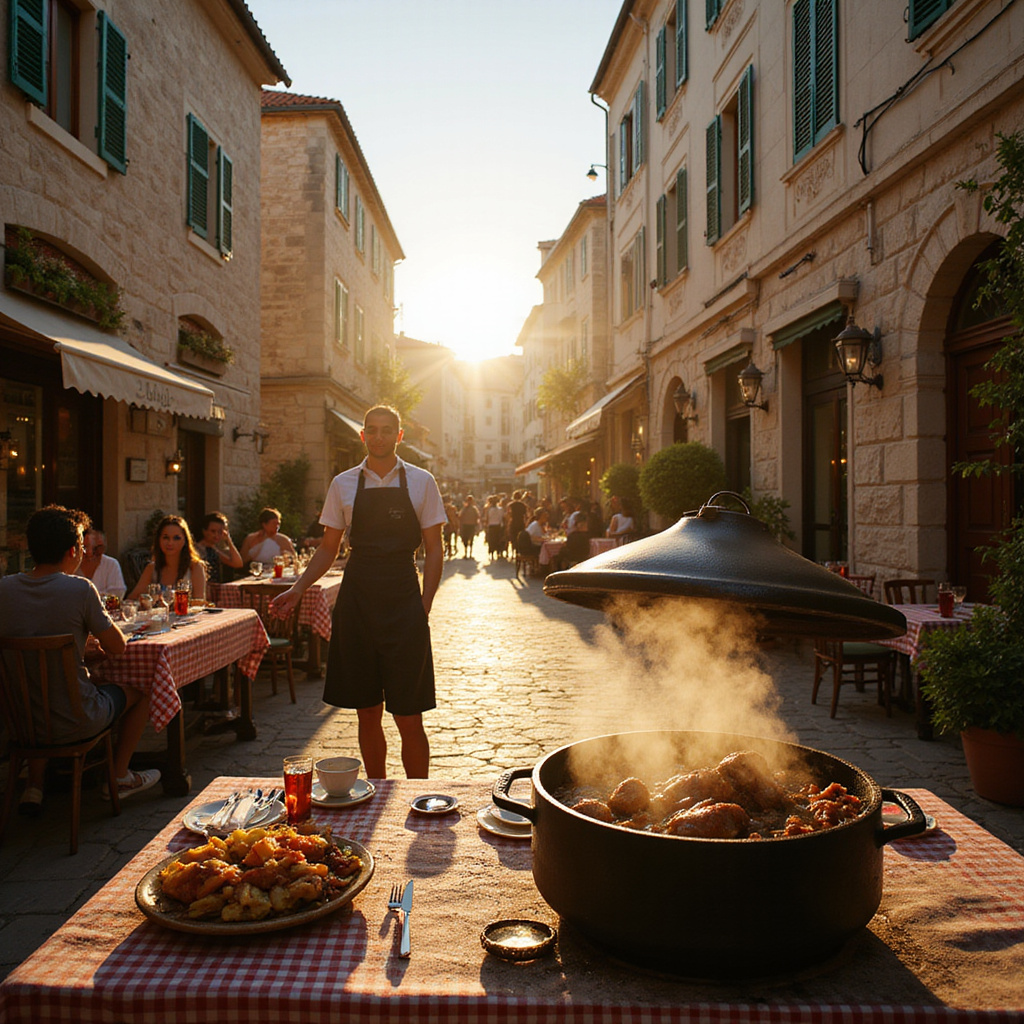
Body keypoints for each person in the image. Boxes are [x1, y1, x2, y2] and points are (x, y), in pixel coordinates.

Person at [269, 405, 446, 779]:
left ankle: (416, 794)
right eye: (372, 430)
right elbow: (328, 548)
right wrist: (298, 589)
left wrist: (424, 605)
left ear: (399, 436)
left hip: (403, 599)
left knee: (409, 714)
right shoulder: (343, 483)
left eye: (387, 430)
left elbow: (434, 548)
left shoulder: (421, 481)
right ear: (362, 435)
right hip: (358, 601)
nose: (378, 437)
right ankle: (378, 789)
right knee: (367, 710)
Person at [0, 505, 160, 814]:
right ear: (74, 549)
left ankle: (34, 785)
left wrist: (75, 650)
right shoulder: (79, 589)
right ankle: (120, 776)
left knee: (39, 691)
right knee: (141, 689)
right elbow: (117, 647)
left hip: (20, 722)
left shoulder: (4, 589)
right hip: (77, 720)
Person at [126, 514, 207, 602]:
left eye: (176, 538)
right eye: (166, 538)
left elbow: (199, 603)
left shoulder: (195, 567)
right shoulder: (152, 568)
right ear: (159, 540)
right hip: (157, 615)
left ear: (185, 541)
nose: (170, 543)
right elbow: (132, 599)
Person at [74, 529, 126, 599]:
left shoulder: (111, 565)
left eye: (99, 548)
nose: (90, 552)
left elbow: (117, 595)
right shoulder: (72, 567)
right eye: (86, 547)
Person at [195, 512, 243, 586]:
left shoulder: (214, 549)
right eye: (213, 531)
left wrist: (228, 540)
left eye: (220, 532)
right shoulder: (197, 549)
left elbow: (237, 563)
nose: (216, 535)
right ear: (204, 531)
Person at [483, 494, 505, 559]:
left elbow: (487, 519)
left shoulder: (489, 510)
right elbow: (502, 517)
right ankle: (498, 552)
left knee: (491, 540)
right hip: (498, 526)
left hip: (491, 526)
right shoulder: (500, 509)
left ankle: (491, 553)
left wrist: (486, 526)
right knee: (498, 539)